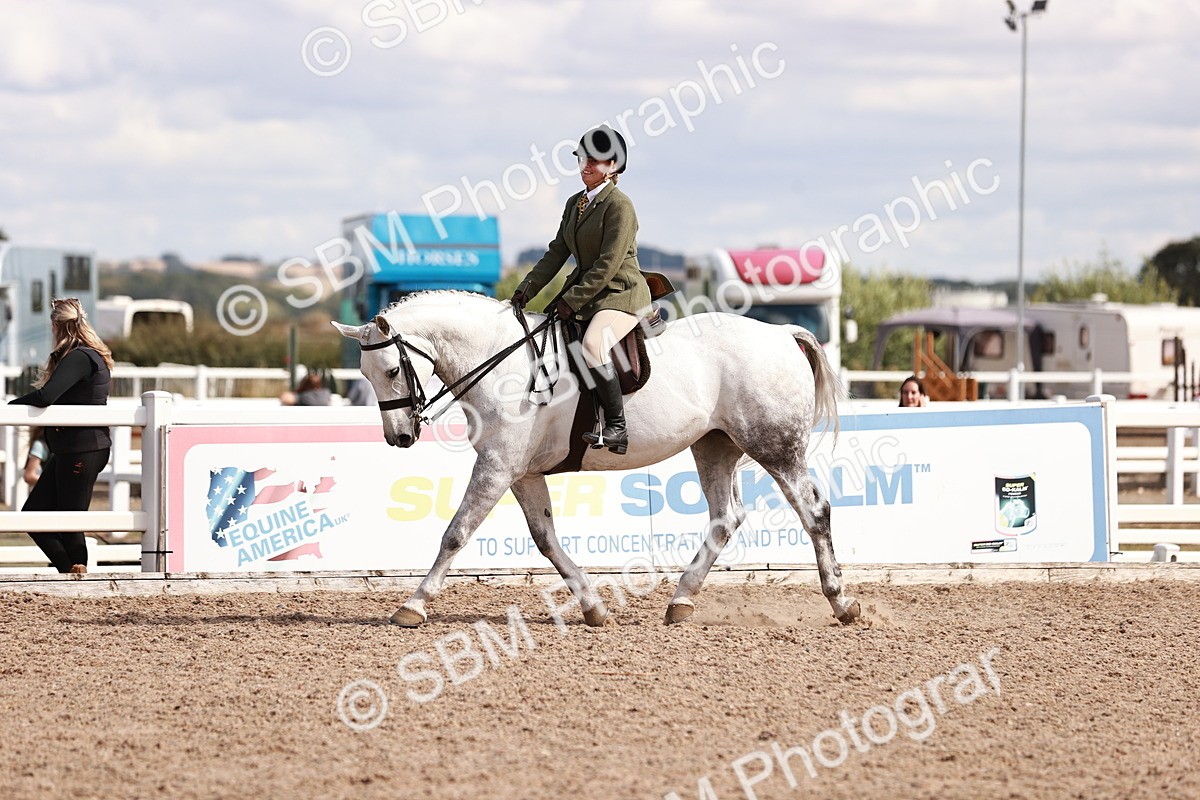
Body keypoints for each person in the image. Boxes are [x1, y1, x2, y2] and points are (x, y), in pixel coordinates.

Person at [510, 125, 651, 455]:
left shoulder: (620, 205)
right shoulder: (576, 203)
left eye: (595, 161)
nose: (586, 166)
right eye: (583, 159)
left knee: (591, 345)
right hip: (591, 294)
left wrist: (571, 300)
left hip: (621, 293)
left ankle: (617, 426)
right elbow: (558, 251)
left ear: (613, 167)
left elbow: (608, 263)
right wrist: (526, 290)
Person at [8, 298, 114, 574]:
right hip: (74, 448)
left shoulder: (80, 356)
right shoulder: (84, 355)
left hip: (81, 448)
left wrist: (10, 407)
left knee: (69, 522)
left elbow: (46, 396)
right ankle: (71, 573)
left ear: (55, 326)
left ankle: (75, 578)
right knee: (35, 517)